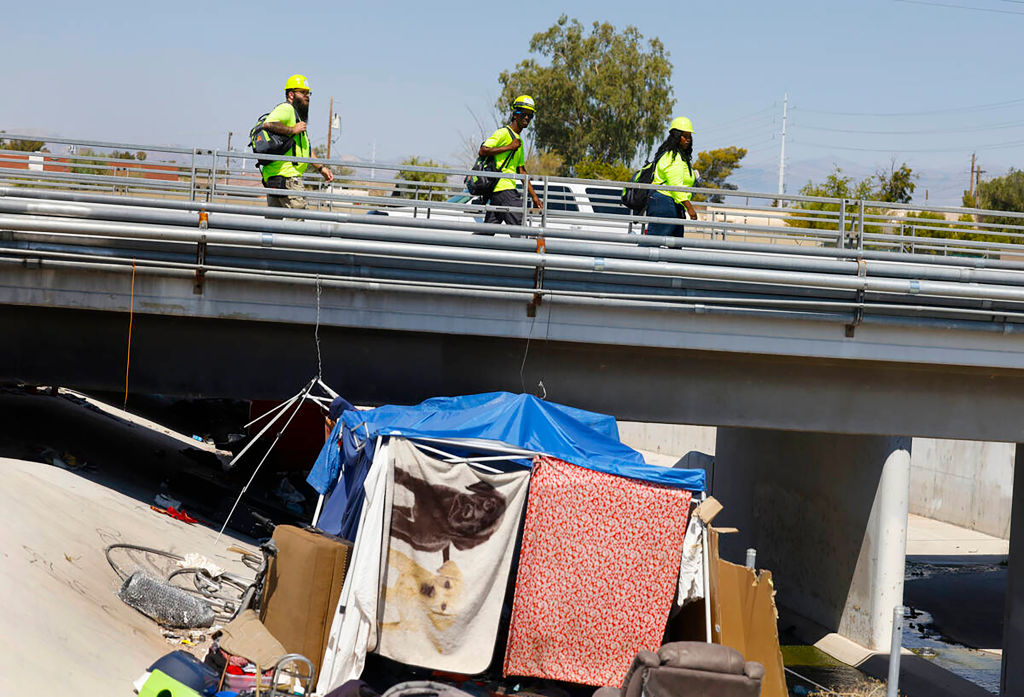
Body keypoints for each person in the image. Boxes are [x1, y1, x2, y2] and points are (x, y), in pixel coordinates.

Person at [261, 74, 334, 209]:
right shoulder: (287, 109)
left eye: (308, 93)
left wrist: (321, 168)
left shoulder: (296, 115)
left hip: (275, 177)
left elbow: (305, 148)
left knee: (274, 224)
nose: (307, 96)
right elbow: (268, 123)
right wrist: (292, 130)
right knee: (298, 222)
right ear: (291, 95)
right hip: (288, 178)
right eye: (303, 92)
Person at [476, 95, 544, 231]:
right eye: (524, 114)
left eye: (530, 116)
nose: (527, 118)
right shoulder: (503, 133)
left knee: (485, 235)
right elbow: (483, 150)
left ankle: (469, 251)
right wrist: (509, 147)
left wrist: (535, 197)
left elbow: (522, 171)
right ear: (515, 114)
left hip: (499, 194)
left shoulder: (519, 141)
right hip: (505, 191)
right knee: (522, 233)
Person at [646, 116, 698, 237]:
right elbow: (676, 186)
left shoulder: (680, 157)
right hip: (665, 202)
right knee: (652, 244)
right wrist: (690, 208)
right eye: (684, 136)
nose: (688, 139)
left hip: (674, 204)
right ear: (676, 136)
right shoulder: (672, 157)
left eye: (689, 136)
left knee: (675, 247)